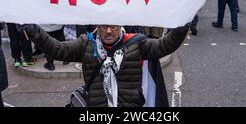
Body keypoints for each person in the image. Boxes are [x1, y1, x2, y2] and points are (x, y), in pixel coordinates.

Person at [17, 23, 190, 107]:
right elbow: (58, 50)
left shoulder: (136, 44)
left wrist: (181, 28)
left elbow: (164, 46)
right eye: (103, 27)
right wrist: (36, 33)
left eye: (113, 26)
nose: (108, 31)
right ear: (97, 27)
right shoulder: (86, 44)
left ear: (120, 25)